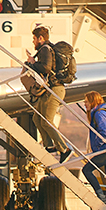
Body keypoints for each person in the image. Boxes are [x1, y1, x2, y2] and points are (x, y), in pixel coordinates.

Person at [21, 26, 71, 158]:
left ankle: (64, 149)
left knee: (47, 120)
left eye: (34, 39)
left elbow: (46, 68)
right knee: (37, 118)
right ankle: (49, 146)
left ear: (40, 38)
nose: (33, 42)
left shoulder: (45, 49)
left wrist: (31, 64)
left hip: (54, 89)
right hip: (49, 90)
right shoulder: (47, 50)